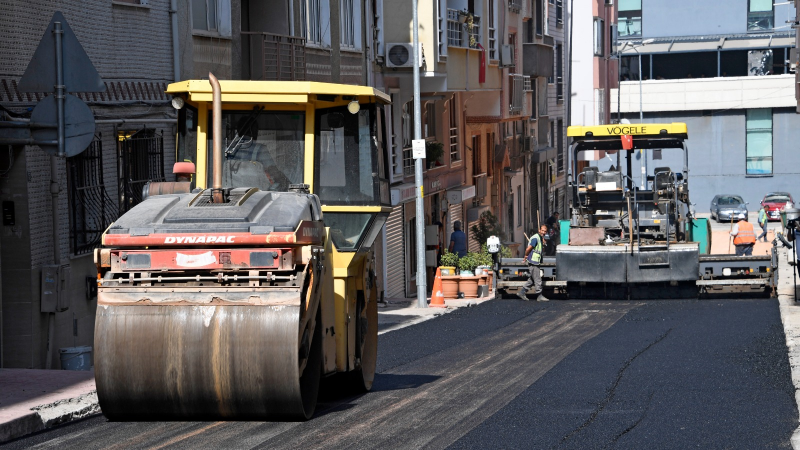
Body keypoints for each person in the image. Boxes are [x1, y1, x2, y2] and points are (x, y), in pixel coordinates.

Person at [518, 224, 549, 302]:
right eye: (542, 230)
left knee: (532, 279)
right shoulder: (535, 238)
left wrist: (543, 243)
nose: (543, 232)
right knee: (537, 279)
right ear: (539, 230)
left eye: (545, 231)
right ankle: (539, 295)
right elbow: (528, 249)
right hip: (533, 261)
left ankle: (522, 292)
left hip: (536, 261)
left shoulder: (540, 238)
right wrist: (525, 256)